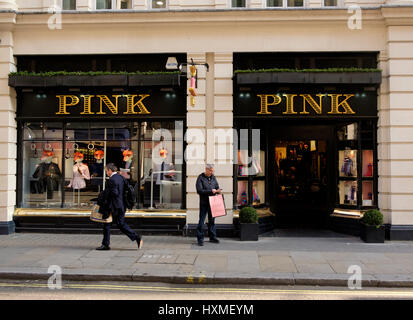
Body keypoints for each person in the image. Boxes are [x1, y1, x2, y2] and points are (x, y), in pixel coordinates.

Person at [96, 163, 143, 251]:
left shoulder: (112, 180)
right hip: (121, 205)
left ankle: (105, 245)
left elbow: (115, 193)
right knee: (119, 224)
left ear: (110, 170)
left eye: (106, 171)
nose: (106, 173)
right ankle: (137, 238)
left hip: (114, 206)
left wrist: (103, 193)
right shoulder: (121, 177)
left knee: (107, 224)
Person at [195, 164, 222, 246]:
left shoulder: (213, 177)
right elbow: (199, 190)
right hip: (204, 202)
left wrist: (218, 191)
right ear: (206, 169)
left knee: (212, 220)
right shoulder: (200, 178)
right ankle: (200, 239)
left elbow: (217, 186)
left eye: (212, 170)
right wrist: (211, 191)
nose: (211, 172)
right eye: (210, 170)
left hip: (213, 201)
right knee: (202, 220)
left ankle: (212, 237)